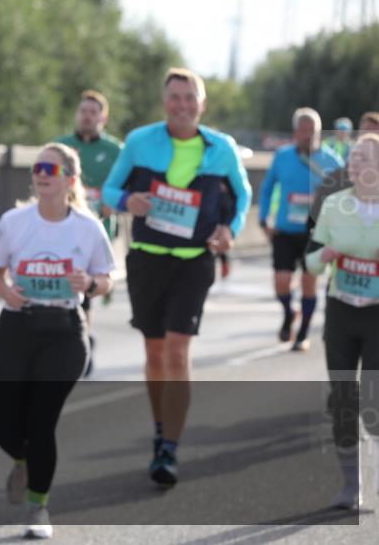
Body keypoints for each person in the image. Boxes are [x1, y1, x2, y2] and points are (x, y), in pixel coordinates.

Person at [102, 68, 251, 487]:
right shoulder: (138, 142)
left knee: (177, 351)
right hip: (148, 259)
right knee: (153, 355)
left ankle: (169, 447)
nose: (182, 105)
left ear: (202, 105)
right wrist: (128, 199)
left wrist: (231, 230)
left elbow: (243, 197)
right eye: (175, 97)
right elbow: (109, 192)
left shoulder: (220, 148)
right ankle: (160, 429)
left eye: (190, 98)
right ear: (164, 101)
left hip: (193, 261)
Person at [0, 142, 116, 539]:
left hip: (64, 330)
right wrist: (6, 292)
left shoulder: (87, 228)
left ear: (70, 180)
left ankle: (38, 507)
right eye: (38, 167)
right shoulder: (14, 221)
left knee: (42, 422)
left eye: (51, 169)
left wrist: (91, 283)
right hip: (17, 325)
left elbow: (108, 277)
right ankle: (23, 460)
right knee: (4, 423)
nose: (42, 173)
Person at [305, 133, 379, 510]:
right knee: (344, 397)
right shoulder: (334, 204)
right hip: (341, 310)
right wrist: (326, 255)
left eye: (364, 157)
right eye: (353, 157)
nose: (354, 163)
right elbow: (311, 260)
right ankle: (352, 485)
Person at [257, 108, 343, 350]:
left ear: (320, 132)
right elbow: (266, 188)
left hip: (315, 232)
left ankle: (303, 333)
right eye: (304, 130)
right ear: (295, 132)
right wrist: (264, 220)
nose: (308, 135)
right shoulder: (283, 157)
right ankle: (288, 312)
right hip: (285, 230)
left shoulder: (332, 161)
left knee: (308, 281)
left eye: (313, 131)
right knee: (281, 281)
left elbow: (344, 199)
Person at [55, 90, 123, 375]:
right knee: (62, 283)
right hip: (63, 226)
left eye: (93, 112)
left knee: (85, 289)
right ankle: (71, 338)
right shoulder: (62, 146)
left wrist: (113, 201)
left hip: (98, 230)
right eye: (83, 111)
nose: (87, 116)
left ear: (103, 117)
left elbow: (126, 185)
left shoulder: (115, 150)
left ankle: (83, 338)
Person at [309, 111, 379, 230]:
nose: (369, 136)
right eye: (366, 130)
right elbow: (315, 224)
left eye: (375, 133)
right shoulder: (334, 179)